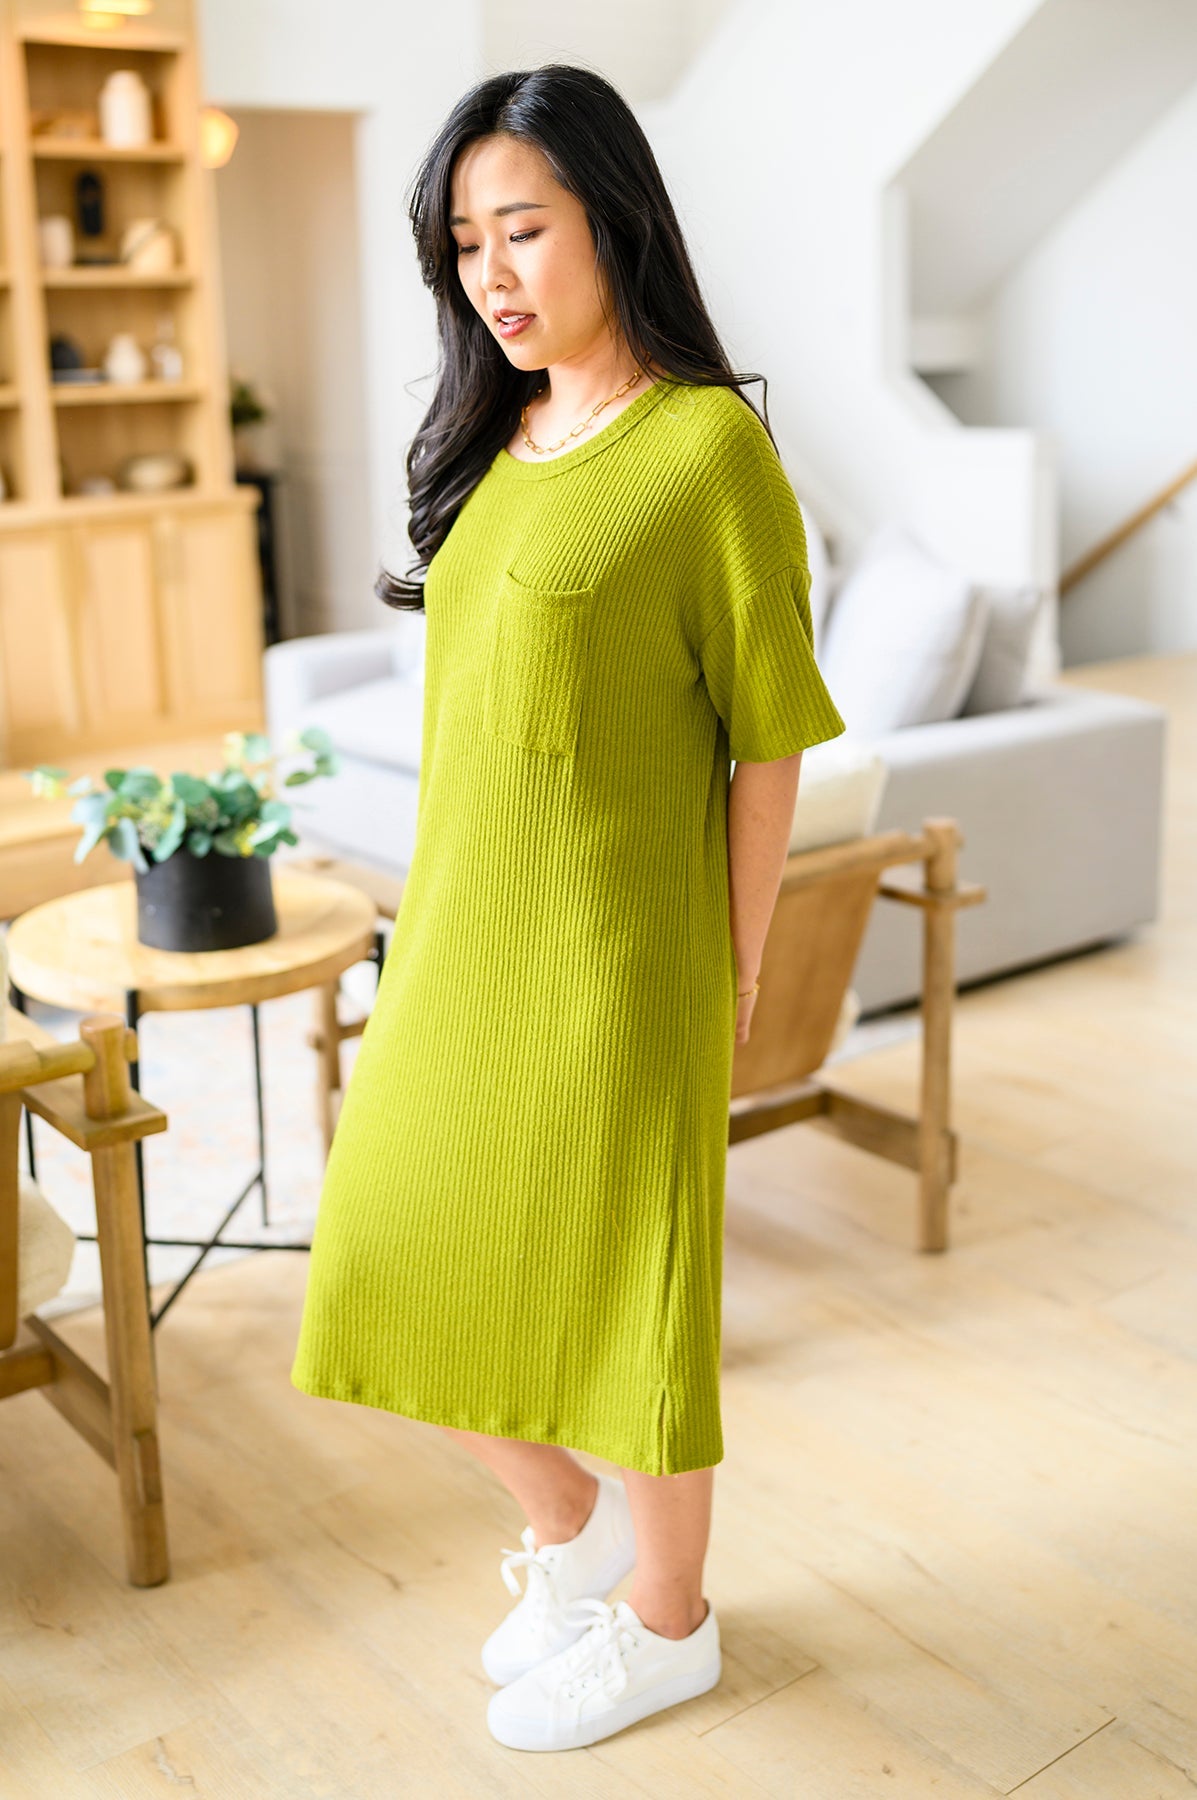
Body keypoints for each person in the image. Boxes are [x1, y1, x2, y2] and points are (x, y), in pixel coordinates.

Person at [290, 63, 846, 1753]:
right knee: (375, 1258)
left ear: (613, 220)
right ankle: (572, 1529)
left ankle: (669, 1624)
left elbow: (768, 740)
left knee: (627, 1297)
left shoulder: (705, 450)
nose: (493, 272)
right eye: (464, 243)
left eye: (521, 228)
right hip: (462, 932)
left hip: (620, 955)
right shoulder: (504, 439)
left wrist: (729, 966)